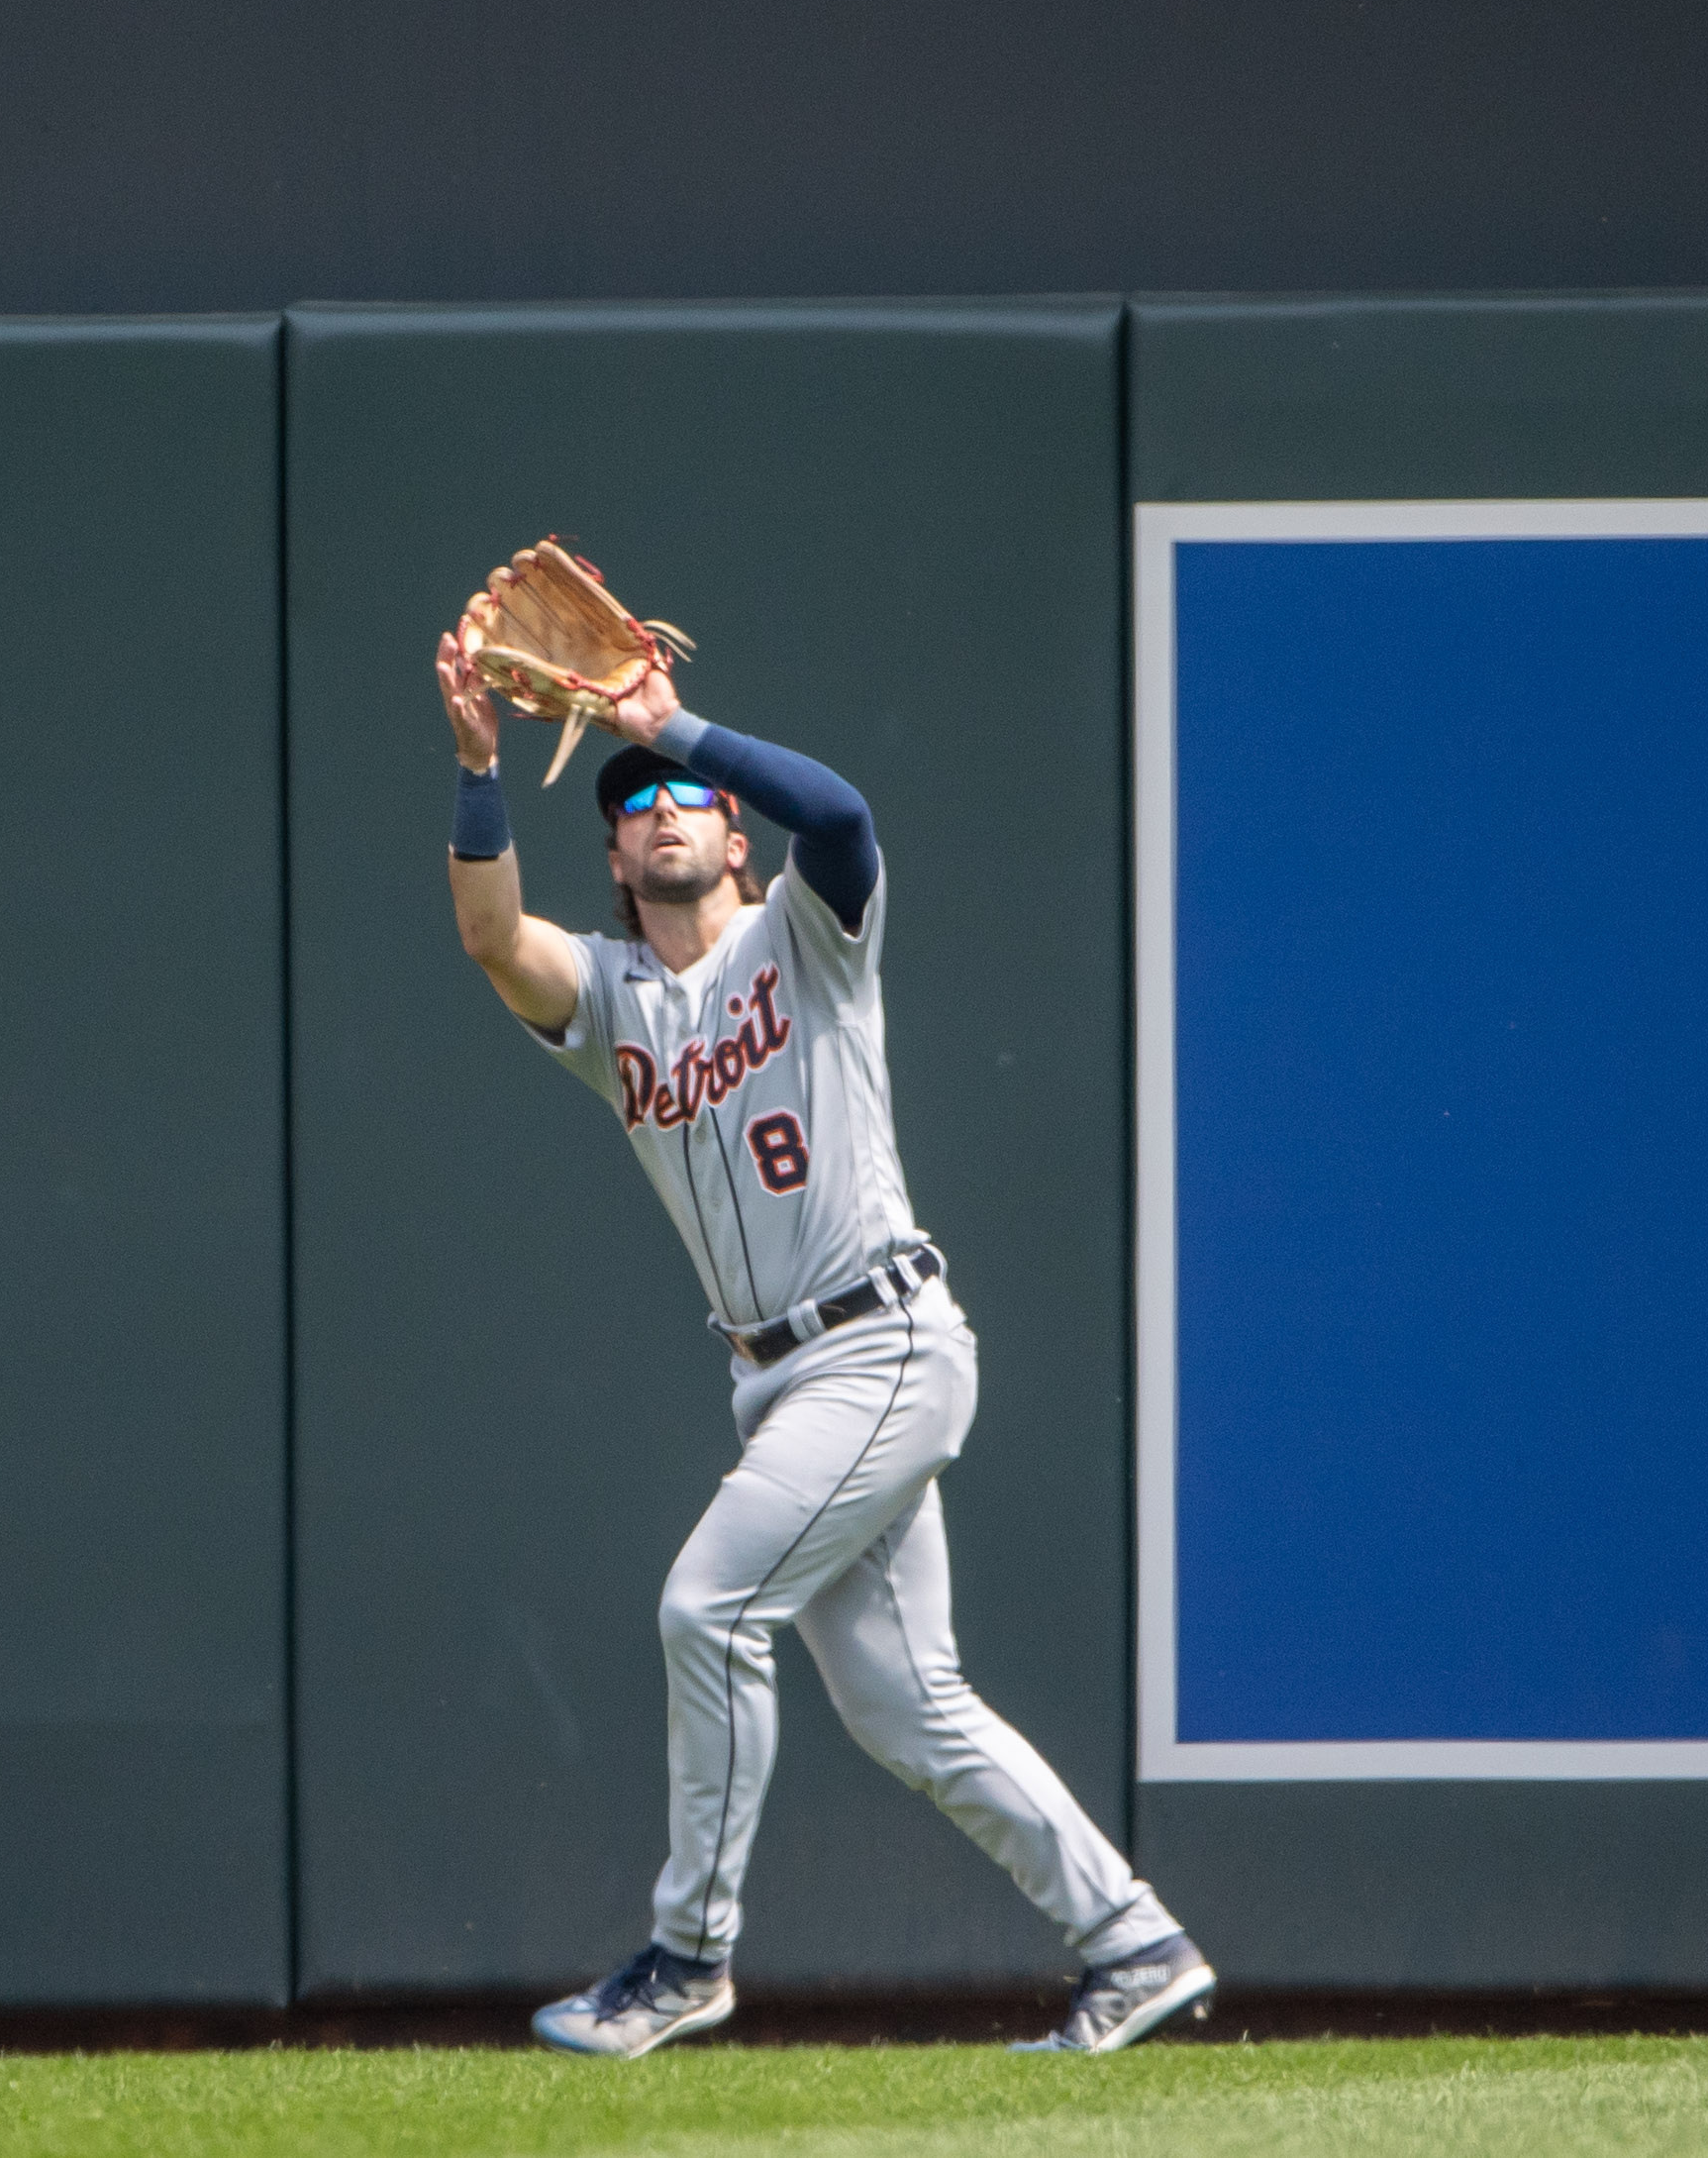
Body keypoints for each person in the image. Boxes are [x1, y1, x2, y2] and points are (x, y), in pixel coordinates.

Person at [432, 625, 1213, 2060]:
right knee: (912, 1706)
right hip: (781, 1375)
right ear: (613, 862)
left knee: (705, 1609)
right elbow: (490, 935)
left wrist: (675, 729)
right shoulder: (609, 1001)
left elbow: (843, 814)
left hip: (881, 1342)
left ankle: (688, 1956)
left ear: (732, 837)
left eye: (683, 804)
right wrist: (482, 767)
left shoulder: (809, 930)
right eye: (633, 811)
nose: (662, 816)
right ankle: (1134, 1940)